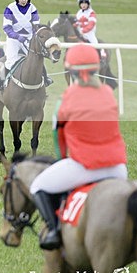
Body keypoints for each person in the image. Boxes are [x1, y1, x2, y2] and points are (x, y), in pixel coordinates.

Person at [29, 44, 128, 250]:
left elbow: (60, 141)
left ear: (70, 70)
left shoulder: (66, 100)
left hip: (85, 165)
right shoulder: (109, 93)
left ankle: (54, 231)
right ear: (97, 68)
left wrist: (63, 160)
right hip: (119, 168)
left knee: (37, 186)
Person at [0, 0, 51, 90]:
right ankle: (0, 82)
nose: (23, 0)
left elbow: (36, 26)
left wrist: (32, 37)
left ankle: (46, 78)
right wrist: (18, 37)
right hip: (13, 39)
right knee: (10, 61)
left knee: (37, 57)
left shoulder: (33, 9)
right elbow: (6, 28)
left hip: (29, 38)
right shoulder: (10, 9)